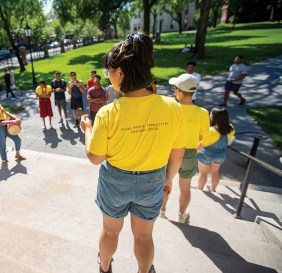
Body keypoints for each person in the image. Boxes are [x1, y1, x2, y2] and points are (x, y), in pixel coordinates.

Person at [81, 33, 186, 273]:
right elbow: (178, 153)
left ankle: (105, 267)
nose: (106, 75)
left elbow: (95, 158)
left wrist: (87, 129)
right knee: (144, 237)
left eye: (108, 70)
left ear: (120, 74)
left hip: (115, 180)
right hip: (153, 180)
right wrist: (168, 179)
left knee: (109, 231)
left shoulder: (108, 113)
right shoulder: (172, 107)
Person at [160, 74, 210, 223]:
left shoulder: (170, 108)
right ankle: (182, 215)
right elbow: (206, 134)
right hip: (190, 152)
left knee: (166, 182)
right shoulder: (202, 112)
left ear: (179, 91)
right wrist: (199, 146)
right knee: (185, 186)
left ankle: (162, 211)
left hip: (170, 151)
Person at [197, 107, 235, 192]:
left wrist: (194, 153)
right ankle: (213, 189)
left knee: (203, 173)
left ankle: (200, 189)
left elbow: (201, 145)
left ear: (214, 116)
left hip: (207, 154)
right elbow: (230, 140)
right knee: (215, 172)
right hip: (221, 154)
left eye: (211, 114)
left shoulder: (211, 130)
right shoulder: (230, 128)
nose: (210, 115)